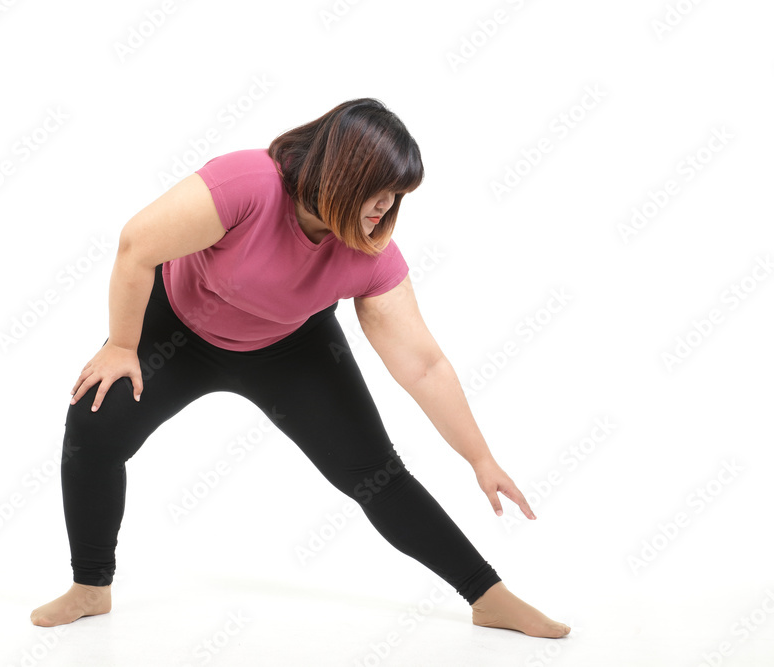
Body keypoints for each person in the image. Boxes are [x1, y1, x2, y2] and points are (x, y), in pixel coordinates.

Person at [30, 98, 570, 639]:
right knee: (94, 426)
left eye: (397, 195)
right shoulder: (248, 183)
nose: (386, 207)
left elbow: (424, 366)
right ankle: (90, 586)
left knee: (377, 475)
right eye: (379, 190)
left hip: (290, 346)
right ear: (342, 172)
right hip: (177, 329)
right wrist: (123, 347)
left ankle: (488, 596)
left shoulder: (371, 252)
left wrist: (479, 457)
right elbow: (136, 246)